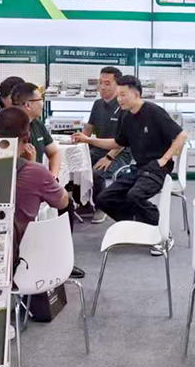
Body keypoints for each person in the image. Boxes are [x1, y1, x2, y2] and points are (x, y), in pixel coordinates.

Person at [72, 75, 187, 254]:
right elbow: (117, 143)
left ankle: (163, 233)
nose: (119, 99)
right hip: (139, 167)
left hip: (157, 167)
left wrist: (164, 160)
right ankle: (137, 225)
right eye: (118, 95)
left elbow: (181, 136)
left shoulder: (154, 111)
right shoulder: (126, 116)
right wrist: (89, 140)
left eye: (123, 95)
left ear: (136, 94)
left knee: (135, 196)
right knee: (104, 199)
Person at [0, 108, 71, 268]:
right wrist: (33, 165)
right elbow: (62, 202)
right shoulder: (35, 171)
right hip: (23, 255)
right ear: (26, 137)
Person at [80, 66, 132, 224]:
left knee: (97, 172)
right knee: (76, 164)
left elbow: (124, 141)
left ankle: (101, 207)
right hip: (98, 149)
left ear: (118, 85)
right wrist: (77, 141)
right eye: (100, 82)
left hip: (120, 153)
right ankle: (84, 203)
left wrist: (109, 157)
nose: (102, 87)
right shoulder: (97, 104)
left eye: (107, 83)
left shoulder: (124, 106)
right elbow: (88, 129)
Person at [10, 82, 62, 177]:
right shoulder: (7, 126)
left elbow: (54, 152)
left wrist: (53, 177)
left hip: (36, 179)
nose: (43, 103)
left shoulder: (37, 124)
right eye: (41, 99)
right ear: (28, 105)